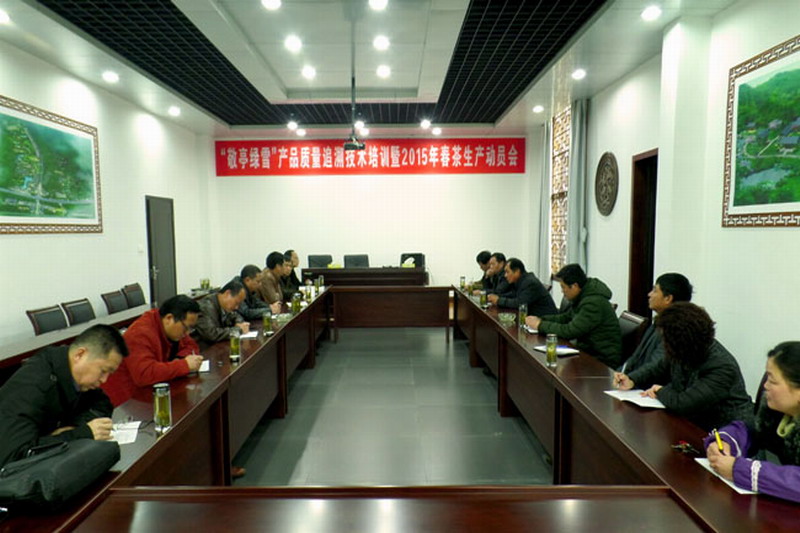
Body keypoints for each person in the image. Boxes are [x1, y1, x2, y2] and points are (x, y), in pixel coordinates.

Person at [0, 325, 128, 468]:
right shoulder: (33, 388)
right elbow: (15, 457)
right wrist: (81, 434)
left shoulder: (73, 373)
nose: (104, 380)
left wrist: (73, 428)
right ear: (80, 355)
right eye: (103, 371)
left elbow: (102, 403)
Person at [613, 302, 753, 431]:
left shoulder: (721, 366)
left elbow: (684, 404)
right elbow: (658, 367)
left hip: (728, 433)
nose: (663, 343)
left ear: (680, 340)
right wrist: (632, 379)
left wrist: (660, 391)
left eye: (665, 339)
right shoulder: (685, 349)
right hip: (694, 422)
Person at [705, 341, 800, 503]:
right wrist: (725, 442)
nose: (765, 385)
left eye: (772, 381)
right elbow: (751, 430)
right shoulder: (776, 414)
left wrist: (739, 470)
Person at [101, 295, 204, 407]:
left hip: (150, 392)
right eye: (186, 327)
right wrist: (183, 365)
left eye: (190, 329)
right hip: (126, 402)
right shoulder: (140, 333)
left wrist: (179, 359)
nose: (187, 333)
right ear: (169, 318)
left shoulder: (171, 327)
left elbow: (191, 345)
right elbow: (144, 374)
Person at [526, 263, 622, 368]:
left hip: (601, 360)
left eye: (563, 287)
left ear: (574, 286)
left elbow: (570, 331)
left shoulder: (593, 303)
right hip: (587, 351)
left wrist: (540, 325)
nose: (562, 291)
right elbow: (565, 318)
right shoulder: (584, 296)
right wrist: (540, 319)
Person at [620, 272, 693, 373]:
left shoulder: (676, 328)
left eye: (655, 290)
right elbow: (636, 357)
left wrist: (630, 378)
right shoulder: (659, 321)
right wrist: (620, 373)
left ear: (668, 298)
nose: (649, 294)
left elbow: (657, 365)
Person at [488, 258, 557, 316]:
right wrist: (498, 297)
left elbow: (520, 303)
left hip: (545, 319)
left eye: (507, 272)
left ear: (517, 272)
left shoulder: (530, 282)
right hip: (531, 317)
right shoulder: (520, 280)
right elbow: (512, 294)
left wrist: (499, 300)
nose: (505, 275)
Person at [195, 279, 250, 349]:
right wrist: (238, 329)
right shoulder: (206, 307)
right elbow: (211, 334)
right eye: (236, 303)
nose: (237, 307)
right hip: (205, 349)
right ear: (227, 294)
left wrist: (239, 323)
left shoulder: (224, 304)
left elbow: (236, 315)